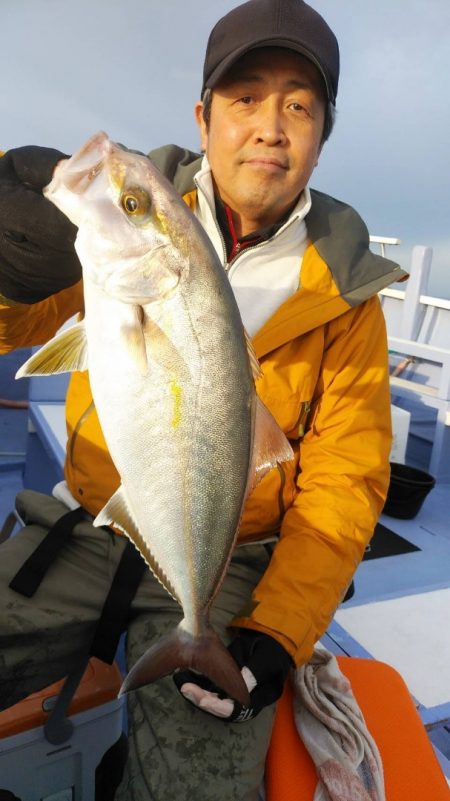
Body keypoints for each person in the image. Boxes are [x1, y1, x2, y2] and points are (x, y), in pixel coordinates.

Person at [0, 0, 407, 799]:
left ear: (323, 133)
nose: (270, 127)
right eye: (245, 98)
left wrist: (280, 633)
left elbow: (344, 481)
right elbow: (14, 324)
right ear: (204, 116)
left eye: (299, 104)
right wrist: (12, 270)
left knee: (201, 785)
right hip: (83, 525)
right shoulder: (131, 229)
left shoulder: (348, 297)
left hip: (225, 564)